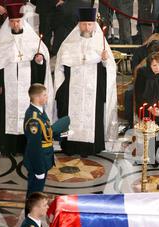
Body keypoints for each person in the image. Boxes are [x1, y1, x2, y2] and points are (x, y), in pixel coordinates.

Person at [0, 2, 53, 156]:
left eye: (17, 21)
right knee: (8, 117)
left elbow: (41, 63)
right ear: (9, 23)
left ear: (22, 22)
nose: (15, 24)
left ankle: (27, 146)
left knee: (28, 116)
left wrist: (39, 60)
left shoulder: (33, 42)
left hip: (27, 89)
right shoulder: (1, 44)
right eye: (12, 22)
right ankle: (7, 147)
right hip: (8, 89)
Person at [55, 7, 118, 157]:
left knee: (92, 117)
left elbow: (110, 68)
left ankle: (91, 147)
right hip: (72, 90)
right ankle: (69, 146)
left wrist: (104, 61)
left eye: (90, 24)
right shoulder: (68, 44)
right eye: (84, 24)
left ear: (94, 25)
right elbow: (60, 65)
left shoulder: (100, 43)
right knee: (70, 116)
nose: (86, 27)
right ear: (79, 25)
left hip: (93, 90)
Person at [134, 52, 159, 166]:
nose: (157, 68)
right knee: (149, 127)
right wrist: (150, 108)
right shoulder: (142, 73)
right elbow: (139, 94)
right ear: (149, 65)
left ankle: (154, 152)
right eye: (154, 65)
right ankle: (151, 154)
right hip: (145, 107)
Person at [23, 84, 55, 200]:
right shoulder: (34, 119)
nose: (47, 97)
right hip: (38, 162)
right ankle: (30, 216)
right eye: (45, 95)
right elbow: (34, 147)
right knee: (34, 194)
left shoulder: (40, 111)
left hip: (44, 158)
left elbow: (45, 132)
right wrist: (39, 169)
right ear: (37, 97)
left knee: (36, 192)